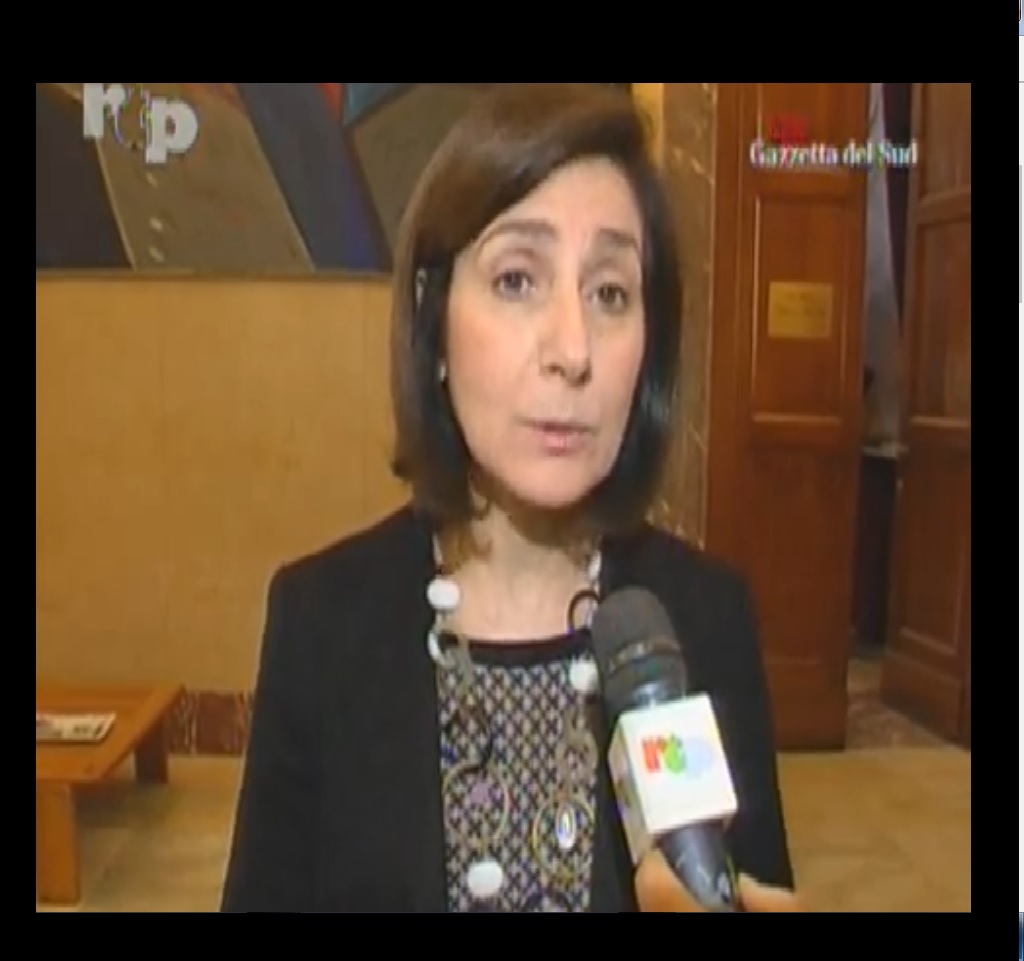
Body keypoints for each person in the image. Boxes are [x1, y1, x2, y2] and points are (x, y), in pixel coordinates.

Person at [220, 83, 800, 914]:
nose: (573, 349)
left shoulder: (705, 619)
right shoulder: (323, 624)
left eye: (610, 292)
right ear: (436, 325)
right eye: (518, 278)